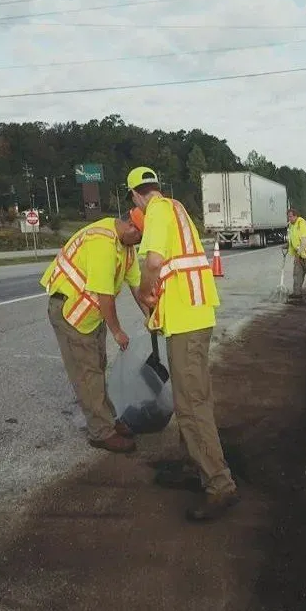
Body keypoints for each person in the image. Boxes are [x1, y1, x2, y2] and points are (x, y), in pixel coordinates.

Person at [126, 165, 239, 522]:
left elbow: (154, 261)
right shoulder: (177, 208)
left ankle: (219, 485)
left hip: (187, 321)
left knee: (191, 405)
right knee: (193, 397)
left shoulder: (157, 211)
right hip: (194, 316)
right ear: (156, 185)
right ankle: (194, 463)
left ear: (135, 196)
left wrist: (145, 291)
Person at [40, 208, 147, 454]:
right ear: (132, 226)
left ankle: (108, 418)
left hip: (89, 315)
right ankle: (101, 432)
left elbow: (137, 288)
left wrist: (153, 318)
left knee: (97, 367)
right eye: (140, 238)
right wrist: (117, 331)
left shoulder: (127, 247)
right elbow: (105, 295)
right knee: (88, 374)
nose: (140, 243)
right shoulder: (102, 242)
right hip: (71, 313)